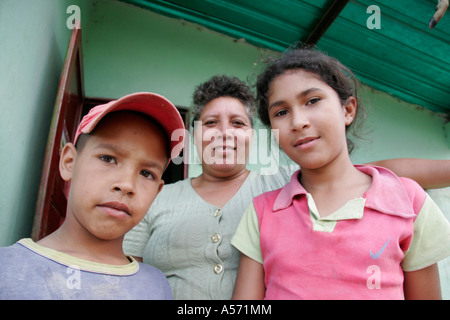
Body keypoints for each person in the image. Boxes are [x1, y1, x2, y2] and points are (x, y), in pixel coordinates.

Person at [123, 75, 450, 300]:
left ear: (254, 136)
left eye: (238, 123)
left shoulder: (281, 186)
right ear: (194, 134)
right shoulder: (157, 197)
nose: (224, 133)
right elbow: (127, 272)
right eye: (210, 123)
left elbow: (373, 173)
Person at [231, 49, 450, 300]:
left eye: (312, 100)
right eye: (281, 112)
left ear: (347, 110)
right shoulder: (261, 213)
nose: (298, 122)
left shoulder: (408, 202)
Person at [0, 92, 185, 299]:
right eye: (108, 158)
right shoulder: (7, 270)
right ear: (69, 162)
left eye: (146, 173)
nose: (126, 185)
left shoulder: (157, 286)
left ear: (157, 192)